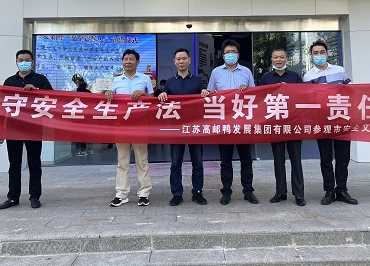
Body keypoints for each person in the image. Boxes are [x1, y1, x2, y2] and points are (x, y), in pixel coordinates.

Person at [201, 39, 257, 205]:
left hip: (242, 122)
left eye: (233, 52)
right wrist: (208, 92)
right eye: (227, 52)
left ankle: (248, 191)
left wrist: (247, 90)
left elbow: (255, 95)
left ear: (238, 55)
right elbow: (210, 94)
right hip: (224, 122)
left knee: (246, 159)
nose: (230, 55)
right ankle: (226, 192)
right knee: (226, 160)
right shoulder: (216, 72)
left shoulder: (246, 71)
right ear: (222, 55)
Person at [303, 41, 358, 206]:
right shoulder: (308, 76)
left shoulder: (339, 70)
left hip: (342, 120)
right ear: (311, 56)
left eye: (322, 52)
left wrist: (345, 89)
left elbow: (352, 90)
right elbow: (309, 100)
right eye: (315, 53)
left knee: (343, 158)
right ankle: (329, 191)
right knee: (326, 159)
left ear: (327, 53)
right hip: (322, 122)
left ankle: (342, 190)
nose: (319, 55)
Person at [0, 50, 53, 210]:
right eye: (20, 60)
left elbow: (53, 99)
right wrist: (0, 130)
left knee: (34, 163)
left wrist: (37, 91)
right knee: (14, 164)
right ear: (16, 62)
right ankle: (12, 197)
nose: (24, 62)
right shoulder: (9, 81)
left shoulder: (41, 79)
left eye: (27, 60)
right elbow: (1, 105)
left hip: (33, 127)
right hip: (13, 128)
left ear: (32, 62)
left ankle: (35, 196)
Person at [105, 49, 154, 207]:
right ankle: (121, 194)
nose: (128, 62)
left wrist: (143, 94)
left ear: (137, 62)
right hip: (121, 126)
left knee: (142, 160)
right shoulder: (116, 80)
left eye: (131, 59)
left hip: (140, 125)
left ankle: (144, 193)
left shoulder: (145, 79)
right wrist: (108, 93)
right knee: (122, 161)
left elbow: (153, 99)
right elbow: (109, 99)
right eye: (125, 59)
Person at [158, 48, 207, 206]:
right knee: (175, 163)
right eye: (178, 59)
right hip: (176, 129)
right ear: (174, 62)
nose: (181, 61)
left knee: (197, 162)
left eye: (184, 58)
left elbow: (205, 99)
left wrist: (205, 92)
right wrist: (162, 95)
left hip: (195, 127)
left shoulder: (197, 81)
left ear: (189, 60)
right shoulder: (170, 82)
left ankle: (197, 192)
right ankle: (177, 193)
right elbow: (162, 100)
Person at [259, 48, 305, 206]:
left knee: (296, 160)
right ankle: (280, 192)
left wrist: (289, 89)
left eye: (281, 57)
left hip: (293, 123)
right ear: (271, 59)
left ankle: (299, 195)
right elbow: (260, 99)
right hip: (275, 124)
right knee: (278, 161)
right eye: (275, 57)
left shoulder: (295, 77)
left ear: (287, 59)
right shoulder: (266, 78)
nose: (278, 60)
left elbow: (303, 96)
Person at [72, 74, 93, 156]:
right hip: (88, 114)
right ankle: (90, 149)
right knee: (88, 132)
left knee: (80, 132)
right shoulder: (89, 91)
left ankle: (83, 149)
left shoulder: (76, 91)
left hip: (79, 114)